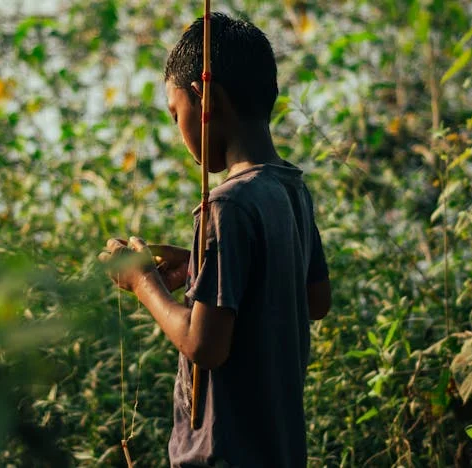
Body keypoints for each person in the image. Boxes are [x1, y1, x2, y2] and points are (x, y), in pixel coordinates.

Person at [99, 12, 331, 467]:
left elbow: (205, 345)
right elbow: (314, 299)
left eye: (175, 112)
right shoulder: (290, 189)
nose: (177, 128)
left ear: (204, 98)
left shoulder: (227, 205)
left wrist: (144, 283)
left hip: (221, 456)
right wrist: (197, 266)